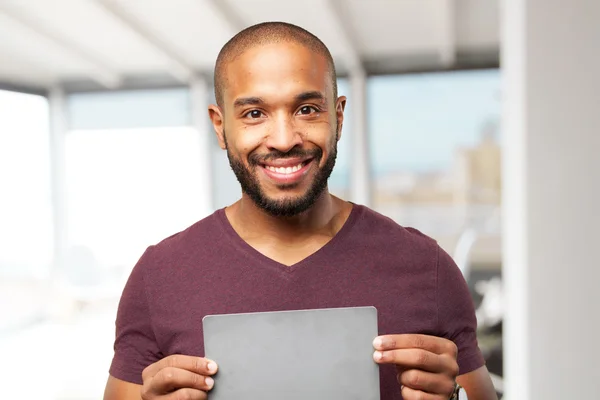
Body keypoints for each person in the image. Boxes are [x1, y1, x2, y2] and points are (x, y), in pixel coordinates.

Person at [103, 22, 498, 400]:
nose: (284, 139)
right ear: (220, 127)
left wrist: (451, 397)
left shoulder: (425, 266)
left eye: (307, 109)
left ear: (338, 117)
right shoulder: (159, 276)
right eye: (254, 114)